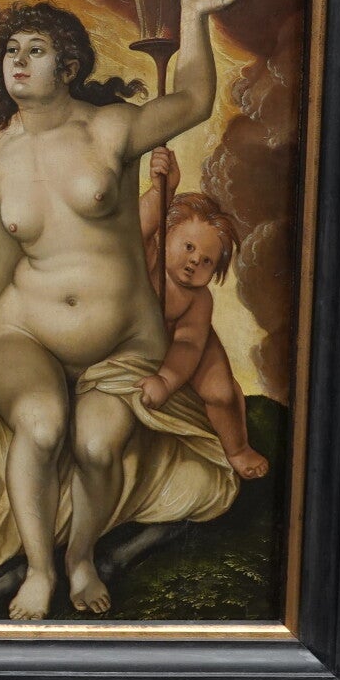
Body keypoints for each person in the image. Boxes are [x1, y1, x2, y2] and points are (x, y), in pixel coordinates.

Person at [0, 0, 241, 618]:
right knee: (40, 425)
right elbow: (0, 276)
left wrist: (193, 13)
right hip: (25, 332)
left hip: (123, 341)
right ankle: (40, 570)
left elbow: (193, 99)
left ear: (67, 65)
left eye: (35, 49)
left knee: (97, 446)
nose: (18, 60)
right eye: (10, 51)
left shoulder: (110, 130)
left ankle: (79, 558)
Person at [138, 149, 269, 480]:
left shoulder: (198, 300)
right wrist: (163, 191)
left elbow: (188, 345)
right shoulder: (147, 258)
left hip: (188, 341)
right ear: (164, 235)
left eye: (208, 260)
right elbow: (136, 226)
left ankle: (237, 449)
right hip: (141, 337)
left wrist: (166, 381)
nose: (196, 260)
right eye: (189, 247)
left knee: (221, 394)